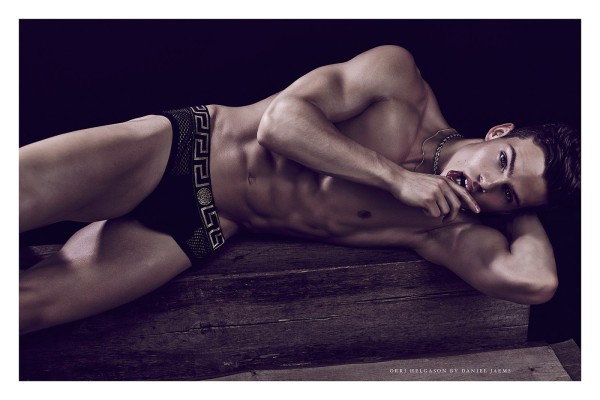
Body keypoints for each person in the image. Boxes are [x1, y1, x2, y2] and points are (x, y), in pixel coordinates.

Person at [19, 45, 580, 335]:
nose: (488, 181)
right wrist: (397, 178)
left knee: (28, 310)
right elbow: (280, 124)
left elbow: (534, 281)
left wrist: (516, 205)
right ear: (498, 131)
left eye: (507, 193)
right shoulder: (398, 83)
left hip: (207, 225)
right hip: (185, 149)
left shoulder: (443, 226)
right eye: (503, 161)